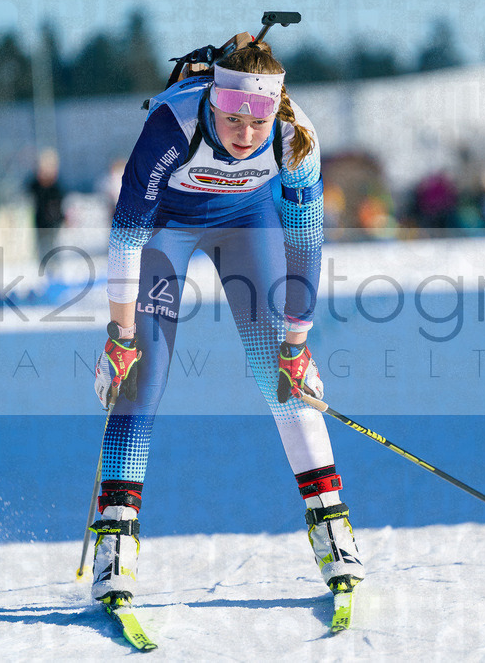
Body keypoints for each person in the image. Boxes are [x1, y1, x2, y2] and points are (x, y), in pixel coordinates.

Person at [90, 39, 365, 606]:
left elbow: (306, 242)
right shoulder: (172, 124)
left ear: (276, 109)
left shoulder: (296, 137)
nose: (244, 131)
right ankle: (115, 540)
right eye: (231, 115)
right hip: (171, 227)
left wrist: (297, 342)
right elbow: (126, 237)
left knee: (282, 376)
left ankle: (331, 528)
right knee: (144, 373)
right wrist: (119, 337)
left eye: (257, 118)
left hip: (248, 224)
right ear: (212, 100)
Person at [28, 147, 66, 262]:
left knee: (53, 251)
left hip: (53, 225)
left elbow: (59, 207)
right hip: (39, 226)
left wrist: (62, 218)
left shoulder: (56, 188)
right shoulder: (34, 187)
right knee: (42, 251)